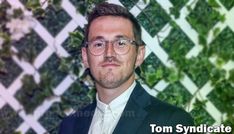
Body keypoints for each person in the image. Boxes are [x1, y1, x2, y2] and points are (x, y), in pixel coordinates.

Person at [59, 2, 194, 134]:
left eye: (121, 43)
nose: (109, 53)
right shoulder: (69, 126)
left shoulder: (172, 122)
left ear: (139, 55)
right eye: (99, 44)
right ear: (85, 57)